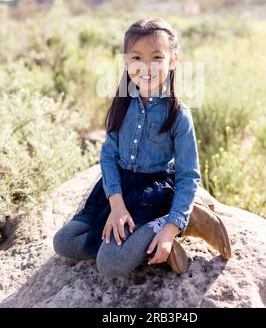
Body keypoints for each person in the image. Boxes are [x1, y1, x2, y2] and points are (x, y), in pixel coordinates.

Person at [53, 17, 232, 278]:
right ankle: (146, 244)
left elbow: (188, 175)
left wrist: (170, 230)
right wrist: (116, 205)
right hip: (120, 192)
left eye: (157, 58)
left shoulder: (178, 115)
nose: (146, 67)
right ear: (127, 61)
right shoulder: (122, 103)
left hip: (153, 194)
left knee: (110, 263)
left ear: (173, 61)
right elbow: (109, 155)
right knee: (64, 242)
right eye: (136, 58)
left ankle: (179, 221)